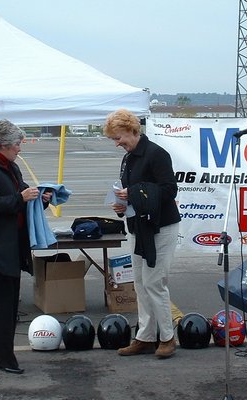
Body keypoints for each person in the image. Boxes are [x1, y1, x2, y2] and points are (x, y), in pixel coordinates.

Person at [0, 119, 51, 374]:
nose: (19, 149)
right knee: (4, 306)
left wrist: (41, 197)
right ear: (3, 145)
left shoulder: (10, 168)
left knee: (9, 304)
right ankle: (4, 358)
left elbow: (22, 196)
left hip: (11, 246)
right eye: (17, 145)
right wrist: (19, 198)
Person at [103, 109, 181, 359]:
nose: (117, 144)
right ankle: (145, 337)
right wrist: (122, 205)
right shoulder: (128, 158)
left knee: (154, 282)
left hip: (161, 227)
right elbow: (131, 193)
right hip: (137, 226)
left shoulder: (156, 154)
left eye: (119, 138)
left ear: (132, 129)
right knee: (139, 282)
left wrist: (133, 193)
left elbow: (169, 190)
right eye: (114, 139)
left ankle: (167, 337)